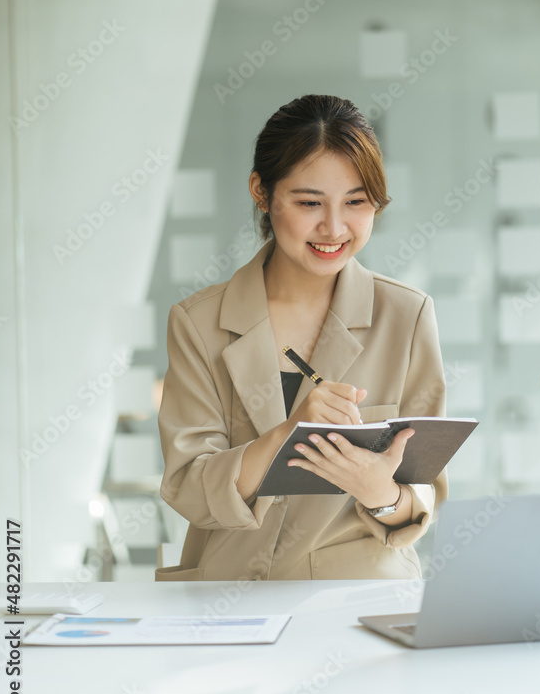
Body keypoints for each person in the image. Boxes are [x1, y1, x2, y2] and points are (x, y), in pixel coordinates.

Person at [156, 94, 447, 581]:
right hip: (229, 599)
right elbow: (189, 486)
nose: (333, 228)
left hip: (353, 602)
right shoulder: (197, 323)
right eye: (309, 202)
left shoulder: (407, 315)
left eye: (356, 202)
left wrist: (382, 493)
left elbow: (425, 493)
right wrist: (284, 437)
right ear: (262, 192)